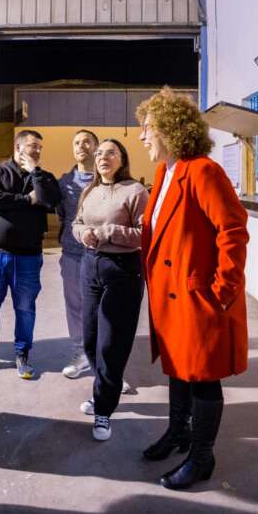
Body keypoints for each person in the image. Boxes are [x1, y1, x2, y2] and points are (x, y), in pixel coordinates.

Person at [136, 87, 249, 491]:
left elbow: (233, 231)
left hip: (198, 297)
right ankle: (177, 433)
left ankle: (202, 457)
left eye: (148, 128)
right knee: (178, 368)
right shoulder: (165, 173)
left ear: (170, 128)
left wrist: (222, 291)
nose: (142, 136)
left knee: (202, 377)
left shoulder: (202, 171)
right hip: (171, 297)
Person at [0, 129, 61, 379]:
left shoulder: (44, 177)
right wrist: (27, 200)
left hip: (29, 256)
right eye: (32, 146)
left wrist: (35, 173)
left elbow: (50, 201)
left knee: (25, 308)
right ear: (18, 147)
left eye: (40, 147)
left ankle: (22, 353)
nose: (37, 150)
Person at [70, 139, 148, 441]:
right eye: (99, 153)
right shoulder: (90, 191)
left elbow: (145, 234)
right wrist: (83, 234)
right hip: (90, 266)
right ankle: (103, 390)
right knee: (90, 340)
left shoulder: (135, 191)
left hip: (122, 271)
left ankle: (103, 409)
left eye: (110, 153)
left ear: (122, 159)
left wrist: (109, 232)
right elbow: (76, 223)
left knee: (111, 344)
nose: (103, 157)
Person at [56, 129, 98, 378]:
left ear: (96, 147)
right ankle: (80, 354)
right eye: (76, 143)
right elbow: (62, 215)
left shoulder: (108, 179)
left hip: (101, 256)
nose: (81, 146)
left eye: (86, 142)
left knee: (102, 309)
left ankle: (104, 362)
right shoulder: (65, 183)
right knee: (75, 306)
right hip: (72, 255)